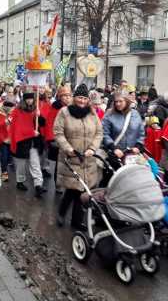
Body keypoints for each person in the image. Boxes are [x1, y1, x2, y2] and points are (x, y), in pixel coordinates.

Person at [54, 84, 103, 229]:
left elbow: (99, 132)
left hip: (88, 159)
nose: (82, 101)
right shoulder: (64, 112)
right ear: (74, 98)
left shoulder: (92, 113)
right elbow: (58, 132)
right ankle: (62, 214)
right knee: (72, 190)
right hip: (71, 158)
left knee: (82, 191)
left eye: (84, 98)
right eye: (79, 98)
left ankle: (76, 221)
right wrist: (68, 148)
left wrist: (93, 148)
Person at [9, 91, 44, 196]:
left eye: (31, 99)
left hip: (32, 143)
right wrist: (31, 132)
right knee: (21, 164)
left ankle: (38, 185)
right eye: (27, 99)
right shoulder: (17, 111)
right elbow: (18, 127)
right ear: (24, 100)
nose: (30, 101)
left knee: (35, 163)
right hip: (22, 142)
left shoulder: (35, 110)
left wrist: (39, 115)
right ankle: (20, 181)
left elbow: (42, 123)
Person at [102, 91, 145, 161]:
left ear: (127, 101)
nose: (118, 104)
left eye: (121, 101)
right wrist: (114, 148)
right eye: (116, 102)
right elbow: (104, 133)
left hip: (132, 155)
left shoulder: (135, 114)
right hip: (115, 155)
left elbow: (141, 133)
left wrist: (138, 146)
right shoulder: (109, 114)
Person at [45, 85, 72, 191]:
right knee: (60, 163)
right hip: (59, 139)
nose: (67, 98)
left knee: (68, 163)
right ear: (60, 97)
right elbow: (49, 123)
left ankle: (68, 183)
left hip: (70, 138)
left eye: (69, 96)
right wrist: (51, 138)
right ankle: (58, 183)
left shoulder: (73, 107)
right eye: (64, 96)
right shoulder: (55, 107)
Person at [0, 99, 15, 182]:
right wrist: (7, 121)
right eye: (11, 108)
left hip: (11, 138)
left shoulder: (13, 113)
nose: (13, 110)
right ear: (7, 107)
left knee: (9, 157)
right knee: (4, 157)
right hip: (3, 138)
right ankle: (4, 173)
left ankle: (6, 167)